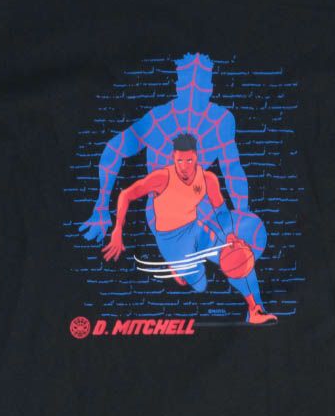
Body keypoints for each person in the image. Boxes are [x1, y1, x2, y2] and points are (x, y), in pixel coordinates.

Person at [102, 134, 277, 325]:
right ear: (173, 158)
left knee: (239, 255)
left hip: (195, 229)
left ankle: (254, 309)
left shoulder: (208, 179)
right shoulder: (162, 178)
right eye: (179, 161)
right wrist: (117, 229)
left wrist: (230, 236)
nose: (184, 166)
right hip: (170, 240)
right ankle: (175, 265)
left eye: (189, 160)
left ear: (196, 157)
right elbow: (126, 194)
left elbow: (222, 213)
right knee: (199, 284)